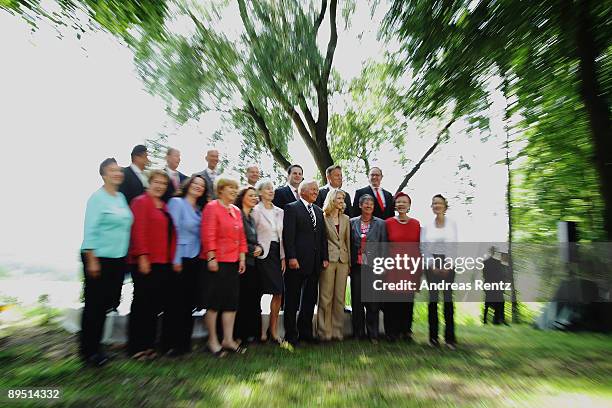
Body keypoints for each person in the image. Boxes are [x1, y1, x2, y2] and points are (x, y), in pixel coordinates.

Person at [80, 158, 133, 367]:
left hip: (117, 259)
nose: (117, 173)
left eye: (119, 170)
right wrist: (92, 260)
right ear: (103, 174)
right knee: (94, 307)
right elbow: (90, 230)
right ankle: (88, 352)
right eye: (112, 170)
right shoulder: (97, 198)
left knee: (105, 306)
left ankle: (98, 348)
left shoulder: (120, 197)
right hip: (98, 259)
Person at [127, 170, 176, 361]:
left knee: (154, 305)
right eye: (156, 182)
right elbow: (138, 230)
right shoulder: (140, 202)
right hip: (145, 261)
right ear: (149, 182)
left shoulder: (163, 205)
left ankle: (148, 345)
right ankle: (136, 347)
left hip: (162, 262)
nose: (160, 186)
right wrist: (142, 256)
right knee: (141, 305)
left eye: (163, 184)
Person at [200, 177, 247, 356]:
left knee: (230, 303)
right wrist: (211, 257)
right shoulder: (212, 207)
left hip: (234, 262)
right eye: (230, 188)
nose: (234, 191)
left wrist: (242, 258)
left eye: (236, 188)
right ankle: (212, 341)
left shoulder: (235, 210)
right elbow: (208, 233)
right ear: (220, 190)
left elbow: (241, 237)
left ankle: (228, 339)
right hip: (217, 262)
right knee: (214, 303)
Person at [282, 180, 329, 345]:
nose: (316, 192)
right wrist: (292, 257)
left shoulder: (318, 211)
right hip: (297, 263)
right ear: (303, 191)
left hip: (315, 264)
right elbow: (289, 236)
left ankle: (306, 333)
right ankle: (291, 335)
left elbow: (322, 237)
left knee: (309, 300)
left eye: (317, 190)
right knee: (292, 300)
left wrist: (324, 257)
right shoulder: (291, 208)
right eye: (313, 189)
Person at [164, 175, 206, 356]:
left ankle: (183, 344)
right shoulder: (176, 203)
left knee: (188, 303)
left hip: (194, 260)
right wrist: (175, 259)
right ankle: (169, 344)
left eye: (202, 186)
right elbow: (172, 233)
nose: (198, 187)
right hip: (179, 258)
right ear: (188, 185)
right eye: (195, 183)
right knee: (174, 303)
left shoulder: (198, 209)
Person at [420, 194, 458, 349]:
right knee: (433, 300)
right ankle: (433, 338)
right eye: (434, 203)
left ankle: (450, 339)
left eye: (440, 203)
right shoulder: (427, 225)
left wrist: (448, 265)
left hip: (448, 264)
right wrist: (432, 265)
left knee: (448, 300)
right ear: (432, 207)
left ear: (445, 206)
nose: (437, 206)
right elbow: (424, 247)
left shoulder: (452, 224)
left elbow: (454, 245)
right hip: (431, 265)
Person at [384, 192, 421, 342]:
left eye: (404, 202)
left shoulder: (416, 224)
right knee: (392, 300)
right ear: (395, 205)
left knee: (407, 299)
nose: (401, 205)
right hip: (393, 266)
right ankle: (391, 331)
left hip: (410, 266)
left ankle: (406, 331)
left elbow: (419, 246)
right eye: (398, 202)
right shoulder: (388, 223)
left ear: (409, 205)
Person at [349, 194, 387, 343]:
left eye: (371, 204)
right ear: (360, 206)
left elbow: (384, 246)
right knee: (357, 301)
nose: (369, 206)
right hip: (357, 267)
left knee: (373, 302)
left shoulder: (381, 224)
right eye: (366, 203)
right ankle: (358, 333)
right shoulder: (352, 223)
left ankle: (373, 334)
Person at [251, 179, 285, 343]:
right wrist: (256, 247)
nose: (271, 191)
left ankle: (273, 330)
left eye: (272, 189)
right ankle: (259, 331)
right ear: (260, 192)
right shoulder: (255, 210)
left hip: (277, 253)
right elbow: (251, 234)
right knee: (258, 292)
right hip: (261, 254)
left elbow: (282, 237)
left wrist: (283, 257)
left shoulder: (280, 211)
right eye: (267, 189)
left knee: (278, 292)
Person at [317, 188, 351, 341]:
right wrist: (322, 258)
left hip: (343, 261)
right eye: (339, 198)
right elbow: (321, 240)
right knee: (325, 296)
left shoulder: (346, 219)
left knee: (340, 298)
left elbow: (347, 241)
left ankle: (337, 331)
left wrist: (349, 261)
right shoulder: (323, 217)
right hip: (328, 260)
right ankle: (324, 332)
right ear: (332, 199)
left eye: (343, 199)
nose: (341, 201)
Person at [234, 186, 264, 344]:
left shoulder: (251, 217)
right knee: (242, 299)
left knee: (251, 298)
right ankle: (239, 334)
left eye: (255, 196)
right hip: (241, 262)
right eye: (251, 195)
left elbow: (255, 239)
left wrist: (260, 248)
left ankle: (249, 333)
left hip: (252, 263)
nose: (254, 198)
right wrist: (253, 249)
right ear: (242, 197)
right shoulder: (237, 214)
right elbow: (239, 239)